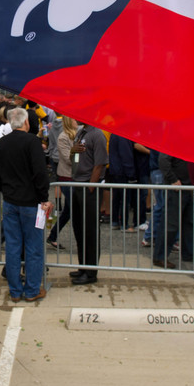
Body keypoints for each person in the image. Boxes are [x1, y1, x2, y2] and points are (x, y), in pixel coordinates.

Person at [0, 107, 53, 302]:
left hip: (11, 201)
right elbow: (40, 173)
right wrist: (44, 197)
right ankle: (32, 289)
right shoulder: (32, 142)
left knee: (13, 247)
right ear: (26, 123)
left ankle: (15, 290)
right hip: (31, 203)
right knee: (33, 248)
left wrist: (5, 189)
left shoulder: (2, 143)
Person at [68, 121, 108, 285]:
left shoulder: (97, 134)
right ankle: (83, 267)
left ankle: (91, 272)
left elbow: (100, 164)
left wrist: (91, 186)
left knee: (90, 230)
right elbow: (74, 158)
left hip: (87, 186)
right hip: (78, 184)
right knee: (79, 228)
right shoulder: (80, 133)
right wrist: (72, 151)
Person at [46, 116, 78, 251]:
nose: (77, 121)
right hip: (66, 177)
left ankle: (52, 236)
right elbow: (68, 158)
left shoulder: (78, 135)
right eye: (75, 120)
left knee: (69, 210)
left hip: (75, 177)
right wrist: (83, 158)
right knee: (73, 209)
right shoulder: (63, 137)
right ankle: (54, 236)